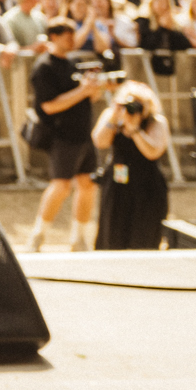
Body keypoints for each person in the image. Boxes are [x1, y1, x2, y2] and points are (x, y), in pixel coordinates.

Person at [24, 21, 110, 251]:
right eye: (65, 34)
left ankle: (78, 238)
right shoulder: (44, 67)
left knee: (88, 184)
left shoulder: (74, 62)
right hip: (62, 135)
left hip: (83, 133)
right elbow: (49, 106)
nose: (71, 38)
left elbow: (86, 98)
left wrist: (94, 89)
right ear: (53, 36)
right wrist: (82, 91)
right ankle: (38, 235)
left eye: (73, 33)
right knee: (61, 186)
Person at [92, 81, 170, 250]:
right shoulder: (112, 117)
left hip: (147, 185)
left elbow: (153, 152)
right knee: (111, 236)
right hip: (118, 183)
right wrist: (114, 117)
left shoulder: (157, 122)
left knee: (144, 238)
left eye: (137, 104)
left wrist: (135, 130)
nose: (131, 108)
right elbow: (99, 141)